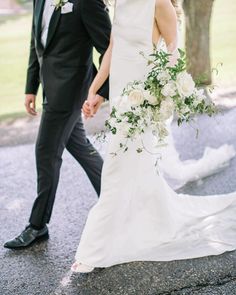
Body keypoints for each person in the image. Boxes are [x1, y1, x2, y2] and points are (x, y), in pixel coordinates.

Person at [71, 0, 236, 273]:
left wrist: (158, 91)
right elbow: (113, 48)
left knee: (115, 167)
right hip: (122, 94)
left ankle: (94, 250)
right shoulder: (121, 4)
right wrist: (94, 89)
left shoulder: (159, 3)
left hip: (144, 99)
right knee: (132, 166)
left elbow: (172, 52)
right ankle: (145, 222)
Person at [4, 0, 111, 249]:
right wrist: (31, 87)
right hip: (50, 88)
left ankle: (37, 225)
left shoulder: (87, 2)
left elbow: (108, 48)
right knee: (80, 146)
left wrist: (100, 92)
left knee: (46, 152)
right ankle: (115, 197)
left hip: (72, 90)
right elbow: (37, 42)